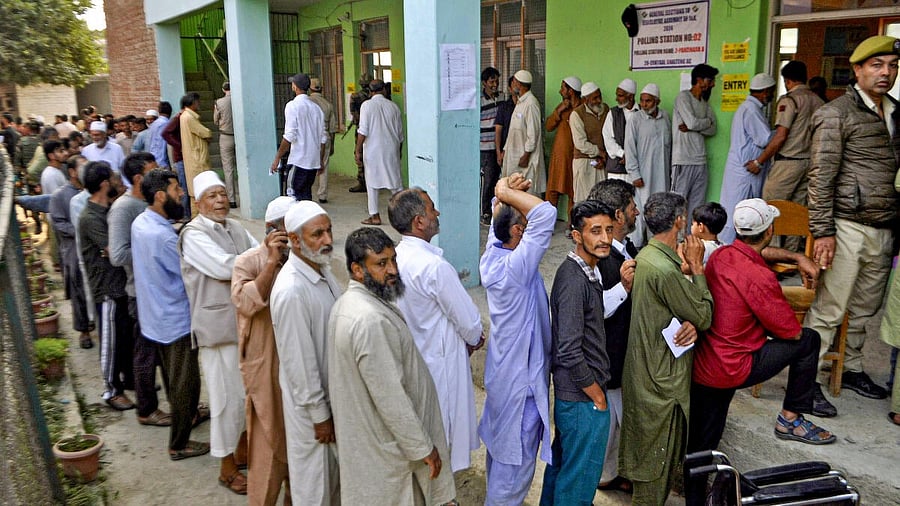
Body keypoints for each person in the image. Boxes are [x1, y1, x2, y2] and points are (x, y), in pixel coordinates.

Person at [686, 198, 836, 506]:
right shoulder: (760, 277)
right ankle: (791, 417)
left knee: (701, 445)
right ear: (769, 231)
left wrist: (796, 258)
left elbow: (757, 253)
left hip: (705, 364)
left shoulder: (722, 254)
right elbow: (789, 331)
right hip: (735, 367)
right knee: (808, 339)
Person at [327, 227, 457, 505]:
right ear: (357, 270)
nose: (392, 270)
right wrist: (423, 447)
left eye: (393, 260)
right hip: (388, 452)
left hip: (377, 444)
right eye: (381, 263)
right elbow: (391, 398)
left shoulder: (352, 305)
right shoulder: (368, 319)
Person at [804, 35, 900, 404]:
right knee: (830, 307)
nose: (886, 73)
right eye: (876, 65)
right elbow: (821, 177)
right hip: (846, 226)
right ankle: (806, 380)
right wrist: (823, 232)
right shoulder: (835, 114)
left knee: (864, 309)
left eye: (892, 66)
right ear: (857, 69)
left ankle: (852, 368)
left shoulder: (895, 111)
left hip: (883, 227)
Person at [619, 192, 713, 505]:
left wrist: (688, 321)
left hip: (646, 371)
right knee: (653, 471)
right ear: (678, 221)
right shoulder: (665, 270)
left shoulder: (648, 257)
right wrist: (698, 269)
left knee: (652, 464)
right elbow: (703, 315)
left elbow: (678, 312)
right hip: (661, 382)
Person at [390, 188, 485, 472]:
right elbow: (470, 324)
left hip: (412, 362)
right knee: (440, 439)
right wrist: (475, 339)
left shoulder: (395, 258)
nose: (437, 214)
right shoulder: (434, 267)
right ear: (419, 221)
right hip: (439, 367)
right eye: (432, 209)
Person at [178, 171, 256, 495]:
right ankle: (226, 469)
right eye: (212, 195)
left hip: (243, 324)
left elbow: (258, 250)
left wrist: (260, 259)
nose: (220, 200)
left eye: (223, 193)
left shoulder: (234, 227)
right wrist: (260, 263)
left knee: (244, 396)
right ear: (198, 203)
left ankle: (241, 451)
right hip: (217, 329)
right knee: (225, 402)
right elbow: (226, 267)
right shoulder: (192, 234)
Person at [479, 173, 555, 505]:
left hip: (504, 378)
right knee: (513, 472)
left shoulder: (492, 253)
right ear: (518, 232)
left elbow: (504, 215)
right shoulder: (516, 269)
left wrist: (505, 196)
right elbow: (546, 215)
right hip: (520, 387)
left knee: (500, 459)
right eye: (522, 224)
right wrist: (505, 190)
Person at [540, 200, 617, 505]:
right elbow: (569, 350)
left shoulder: (587, 272)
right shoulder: (574, 280)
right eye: (595, 231)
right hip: (582, 399)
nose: (605, 238)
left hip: (577, 399)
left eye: (609, 230)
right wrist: (597, 396)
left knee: (564, 470)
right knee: (579, 483)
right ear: (576, 235)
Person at [131, 169, 210, 461]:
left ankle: (188, 415)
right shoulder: (161, 237)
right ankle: (179, 444)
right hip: (174, 320)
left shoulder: (143, 222)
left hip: (154, 317)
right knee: (185, 384)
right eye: (177, 190)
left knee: (172, 378)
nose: (181, 194)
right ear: (160, 196)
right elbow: (187, 273)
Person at [270, 201, 341, 504]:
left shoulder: (323, 271)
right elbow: (298, 361)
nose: (327, 240)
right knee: (314, 487)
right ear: (295, 240)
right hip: (313, 412)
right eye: (317, 234)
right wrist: (320, 415)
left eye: (328, 231)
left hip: (333, 399)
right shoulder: (291, 291)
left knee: (336, 483)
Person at [231, 196, 294, 505]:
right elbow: (245, 302)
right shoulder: (248, 262)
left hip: (298, 373)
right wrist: (271, 262)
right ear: (273, 230)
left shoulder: (304, 262)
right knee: (268, 452)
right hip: (267, 372)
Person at [108, 152, 170, 427]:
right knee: (145, 354)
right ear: (138, 178)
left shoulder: (148, 203)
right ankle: (146, 410)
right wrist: (151, 247)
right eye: (153, 172)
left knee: (162, 353)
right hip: (138, 293)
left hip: (158, 290)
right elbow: (117, 255)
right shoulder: (123, 209)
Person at [587, 178, 639, 494]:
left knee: (616, 427)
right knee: (603, 430)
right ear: (619, 215)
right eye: (632, 207)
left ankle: (608, 475)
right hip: (603, 362)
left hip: (619, 360)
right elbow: (593, 310)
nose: (637, 212)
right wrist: (623, 288)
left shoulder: (625, 250)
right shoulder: (598, 259)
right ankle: (596, 479)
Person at [78, 161, 134, 411]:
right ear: (104, 184)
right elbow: (114, 251)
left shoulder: (108, 210)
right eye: (112, 178)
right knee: (110, 342)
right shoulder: (90, 218)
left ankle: (128, 380)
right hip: (107, 290)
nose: (117, 181)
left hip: (119, 286)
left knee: (124, 338)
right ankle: (112, 390)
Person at [761, 61, 825, 251]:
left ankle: (774, 255)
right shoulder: (819, 102)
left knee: (772, 207)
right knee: (798, 211)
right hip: (809, 164)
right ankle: (790, 254)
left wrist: (760, 160)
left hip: (788, 163)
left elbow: (781, 135)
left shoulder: (790, 100)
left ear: (787, 80)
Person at [719, 73, 776, 245]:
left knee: (737, 214)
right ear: (765, 91)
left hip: (742, 170)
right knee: (738, 216)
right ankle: (727, 254)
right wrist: (783, 132)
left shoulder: (748, 108)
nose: (771, 96)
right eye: (771, 92)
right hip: (745, 172)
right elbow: (765, 139)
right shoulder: (751, 109)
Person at [49, 155, 92, 349]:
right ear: (73, 172)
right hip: (74, 247)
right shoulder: (60, 195)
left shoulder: (92, 191)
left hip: (92, 247)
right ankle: (84, 330)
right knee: (79, 288)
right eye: (82, 167)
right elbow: (58, 222)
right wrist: (80, 231)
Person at [625, 83, 671, 248]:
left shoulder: (665, 117)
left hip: (662, 175)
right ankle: (636, 246)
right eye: (642, 101)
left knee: (659, 210)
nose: (644, 105)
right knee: (642, 210)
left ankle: (655, 245)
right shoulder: (635, 119)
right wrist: (634, 174)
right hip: (643, 176)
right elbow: (629, 148)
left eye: (648, 101)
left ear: (657, 101)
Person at [671, 63, 718, 224]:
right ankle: (676, 241)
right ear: (699, 80)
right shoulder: (683, 97)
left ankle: (692, 241)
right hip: (683, 160)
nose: (713, 84)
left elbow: (713, 129)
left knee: (697, 207)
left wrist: (696, 127)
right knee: (678, 204)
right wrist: (703, 123)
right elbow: (692, 123)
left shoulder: (704, 104)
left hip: (701, 161)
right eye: (710, 80)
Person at [271, 73, 328, 202]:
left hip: (299, 160)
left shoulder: (292, 106)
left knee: (292, 198)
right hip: (312, 162)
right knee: (306, 197)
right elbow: (323, 138)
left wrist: (278, 157)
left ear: (295, 87)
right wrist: (320, 161)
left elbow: (290, 135)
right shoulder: (317, 109)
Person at [356, 79, 404, 224]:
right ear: (384, 90)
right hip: (391, 150)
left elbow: (363, 131)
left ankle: (374, 215)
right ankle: (403, 214)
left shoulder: (367, 105)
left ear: (370, 92)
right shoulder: (393, 107)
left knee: (372, 183)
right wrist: (399, 151)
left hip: (373, 151)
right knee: (395, 183)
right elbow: (400, 134)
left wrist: (357, 150)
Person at [501, 70, 545, 196]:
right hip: (514, 157)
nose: (512, 84)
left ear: (519, 84)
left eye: (514, 81)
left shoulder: (531, 103)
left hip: (525, 159)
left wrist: (526, 155)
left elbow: (533, 134)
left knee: (526, 193)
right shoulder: (521, 102)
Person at [545, 75, 582, 221]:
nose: (560, 91)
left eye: (563, 88)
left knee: (574, 193)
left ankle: (571, 225)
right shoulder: (562, 108)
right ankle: (547, 223)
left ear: (571, 91)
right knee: (552, 191)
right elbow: (548, 127)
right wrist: (558, 111)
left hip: (574, 157)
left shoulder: (581, 110)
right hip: (559, 158)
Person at [569, 82, 609, 203]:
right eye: (594, 98)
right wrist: (599, 153)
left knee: (602, 199)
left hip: (602, 161)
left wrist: (603, 157)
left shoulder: (606, 110)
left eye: (599, 96)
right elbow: (580, 143)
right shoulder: (577, 114)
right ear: (585, 100)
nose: (598, 100)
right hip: (585, 162)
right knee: (584, 200)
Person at [179, 93, 212, 212]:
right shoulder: (188, 117)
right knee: (199, 191)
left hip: (194, 157)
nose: (199, 104)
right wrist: (208, 135)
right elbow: (206, 132)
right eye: (197, 102)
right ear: (192, 103)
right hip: (196, 159)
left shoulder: (185, 116)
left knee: (196, 192)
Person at [308, 77, 338, 204]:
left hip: (310, 138)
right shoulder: (328, 104)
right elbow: (332, 128)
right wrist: (332, 145)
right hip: (325, 137)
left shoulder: (307, 102)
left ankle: (306, 192)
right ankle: (322, 194)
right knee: (323, 167)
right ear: (322, 89)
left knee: (307, 166)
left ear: (309, 89)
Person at [603, 78, 639, 182]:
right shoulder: (613, 113)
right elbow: (608, 138)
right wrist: (623, 154)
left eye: (620, 95)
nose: (616, 99)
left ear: (631, 96)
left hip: (638, 171)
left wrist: (632, 157)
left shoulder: (641, 113)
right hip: (617, 170)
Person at [480, 67, 503, 225]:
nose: (495, 84)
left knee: (496, 179)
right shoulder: (479, 100)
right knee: (487, 181)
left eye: (496, 81)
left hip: (498, 146)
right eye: (492, 81)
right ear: (484, 83)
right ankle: (485, 212)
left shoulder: (501, 97)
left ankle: (494, 208)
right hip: (485, 147)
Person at [214, 82, 238, 208]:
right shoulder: (238, 100)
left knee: (228, 169)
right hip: (240, 137)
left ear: (223, 90)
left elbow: (215, 120)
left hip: (225, 136)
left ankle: (232, 199)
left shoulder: (219, 102)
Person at [494, 76, 517, 173]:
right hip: (506, 151)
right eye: (514, 86)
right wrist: (499, 152)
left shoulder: (527, 105)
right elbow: (498, 131)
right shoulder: (504, 107)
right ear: (509, 89)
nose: (517, 89)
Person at [148, 102, 172, 169]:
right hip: (161, 162)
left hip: (153, 159)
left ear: (159, 111)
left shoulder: (154, 124)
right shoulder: (165, 124)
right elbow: (161, 145)